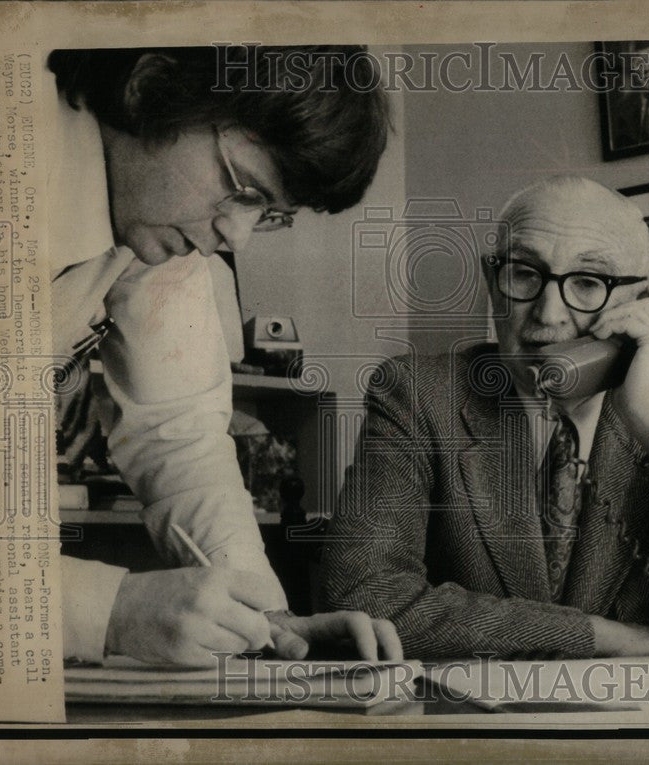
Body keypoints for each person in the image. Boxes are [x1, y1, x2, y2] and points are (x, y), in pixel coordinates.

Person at [320, 176, 649, 660]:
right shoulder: (417, 396)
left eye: (588, 282)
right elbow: (367, 596)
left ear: (644, 302)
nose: (548, 314)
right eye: (524, 273)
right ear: (491, 279)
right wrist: (603, 637)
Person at [49, 46, 401, 666]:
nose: (233, 237)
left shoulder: (151, 218)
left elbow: (177, 436)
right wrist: (111, 611)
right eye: (243, 188)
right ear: (151, 86)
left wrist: (266, 619)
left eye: (265, 213)